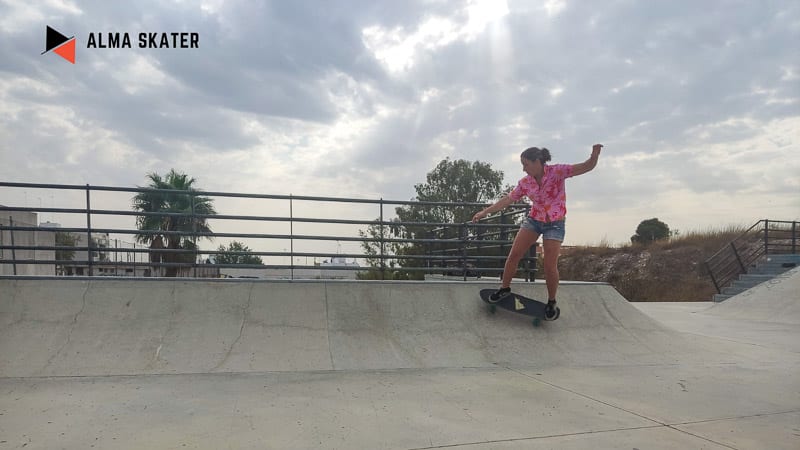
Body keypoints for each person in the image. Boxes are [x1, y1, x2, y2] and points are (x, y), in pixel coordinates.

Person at [472, 143, 603, 318]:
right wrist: (485, 212)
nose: (524, 169)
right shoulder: (525, 183)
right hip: (534, 221)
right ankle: (504, 289)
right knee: (514, 255)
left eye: (526, 164)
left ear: (537, 162)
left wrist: (594, 155)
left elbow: (585, 167)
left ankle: (551, 301)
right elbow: (507, 200)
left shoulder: (557, 172)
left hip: (555, 224)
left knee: (549, 265)